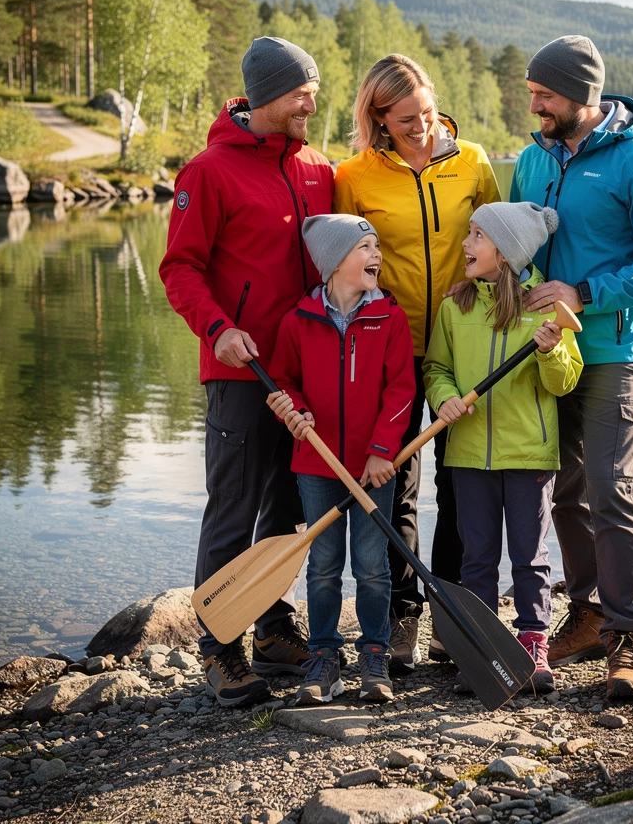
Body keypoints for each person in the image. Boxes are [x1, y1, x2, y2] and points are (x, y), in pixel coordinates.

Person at [510, 35, 633, 699]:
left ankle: (630, 633)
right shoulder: (533, 160)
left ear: (584, 96)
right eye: (532, 92)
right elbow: (518, 245)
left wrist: (584, 293)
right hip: (552, 351)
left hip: (617, 350)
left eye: (545, 94)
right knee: (566, 489)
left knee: (615, 486)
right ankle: (585, 614)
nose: (534, 104)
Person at [159, 37, 334, 706]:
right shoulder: (208, 172)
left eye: (314, 91)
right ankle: (219, 649)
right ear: (263, 98)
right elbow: (180, 268)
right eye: (299, 93)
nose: (311, 103)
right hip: (240, 373)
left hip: (303, 371)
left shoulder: (319, 168)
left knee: (289, 506)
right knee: (234, 507)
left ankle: (272, 627)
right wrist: (216, 328)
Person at [334, 54, 501, 671]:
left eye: (428, 113)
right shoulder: (353, 176)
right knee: (394, 483)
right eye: (405, 120)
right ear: (378, 118)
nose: (422, 128)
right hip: (388, 349)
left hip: (465, 344)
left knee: (461, 485)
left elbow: (498, 249)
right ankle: (401, 616)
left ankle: (452, 615)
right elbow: (343, 266)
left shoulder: (474, 162)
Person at [424, 201, 583, 695]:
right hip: (469, 453)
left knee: (529, 556)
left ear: (507, 251)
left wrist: (552, 349)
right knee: (477, 556)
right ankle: (480, 645)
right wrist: (447, 400)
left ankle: (532, 641)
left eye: (477, 235)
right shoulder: (456, 306)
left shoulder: (546, 310)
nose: (466, 244)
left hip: (529, 455)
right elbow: (436, 369)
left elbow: (564, 384)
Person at [267, 214, 416, 704]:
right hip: (317, 464)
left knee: (373, 565)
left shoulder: (389, 317)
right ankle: (325, 656)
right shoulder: (298, 320)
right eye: (365, 247)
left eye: (377, 246)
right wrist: (293, 409)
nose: (376, 255)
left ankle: (374, 653)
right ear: (333, 261)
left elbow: (401, 390)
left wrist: (381, 451)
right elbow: (283, 379)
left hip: (374, 469)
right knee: (324, 564)